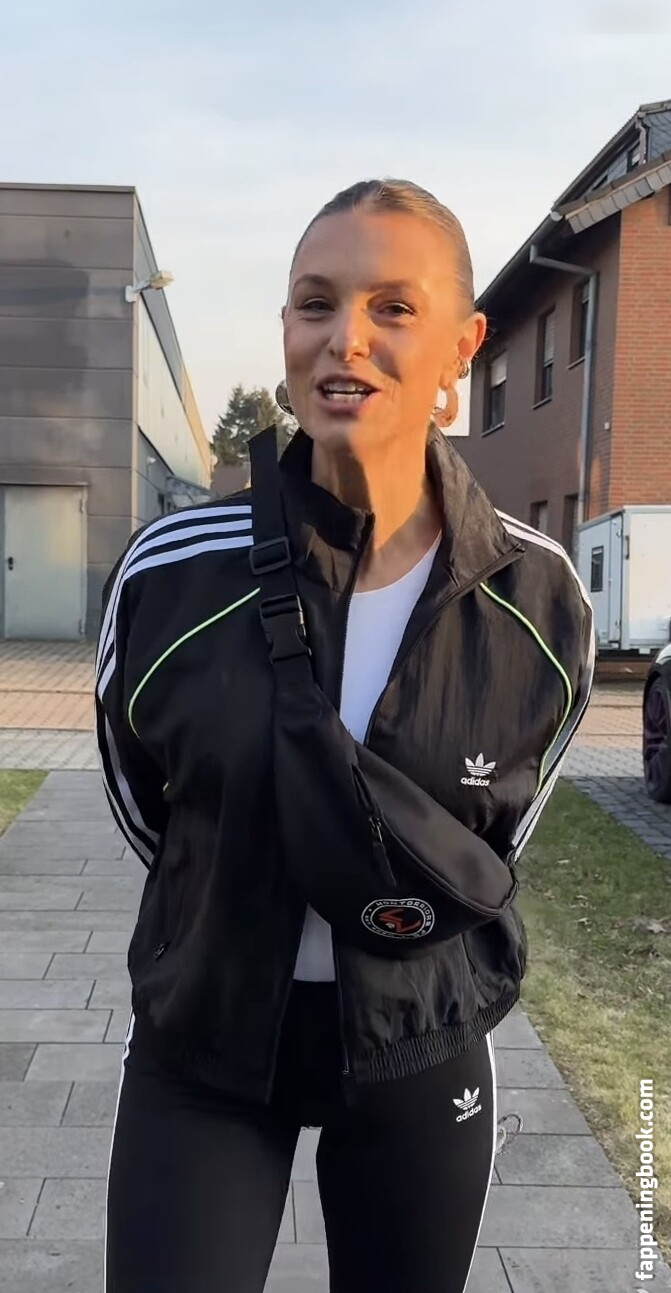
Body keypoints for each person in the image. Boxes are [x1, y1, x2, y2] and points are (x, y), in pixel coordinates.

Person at [96, 178, 595, 1293]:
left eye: (392, 308)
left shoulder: (538, 599)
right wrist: (244, 880)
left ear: (462, 347)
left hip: (421, 1042)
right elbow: (146, 806)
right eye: (315, 303)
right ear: (285, 327)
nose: (344, 339)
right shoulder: (171, 575)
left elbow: (495, 836)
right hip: (208, 1040)